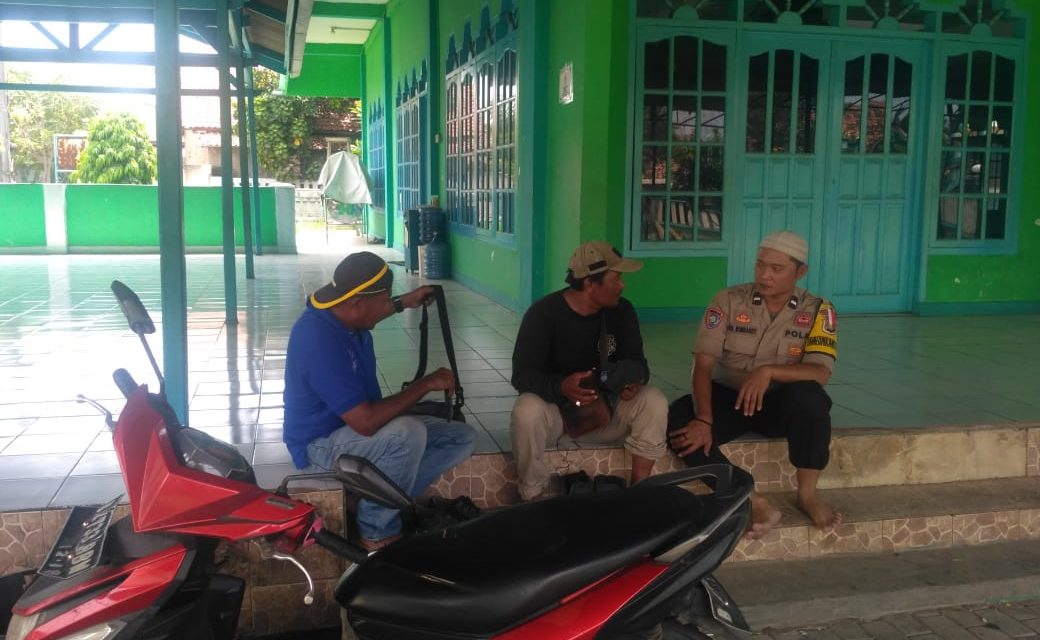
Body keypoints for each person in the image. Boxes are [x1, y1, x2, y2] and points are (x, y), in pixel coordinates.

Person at [282, 251, 476, 551]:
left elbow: (372, 308)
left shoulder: (347, 317)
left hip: (353, 434)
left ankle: (373, 501)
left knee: (460, 438)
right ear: (357, 304)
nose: (389, 305)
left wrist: (403, 302)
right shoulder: (317, 339)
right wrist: (427, 383)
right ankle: (376, 528)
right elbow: (366, 422)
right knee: (408, 434)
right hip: (320, 443)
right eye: (386, 299)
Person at [668, 230, 841, 538]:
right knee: (678, 424)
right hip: (731, 399)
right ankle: (749, 498)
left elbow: (820, 372)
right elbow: (703, 363)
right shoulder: (728, 300)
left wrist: (768, 372)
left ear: (800, 272)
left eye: (776, 269)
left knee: (812, 400)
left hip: (780, 405)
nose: (764, 274)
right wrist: (704, 417)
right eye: (760, 265)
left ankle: (807, 494)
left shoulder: (818, 310)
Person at [510, 241, 668, 501]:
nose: (622, 285)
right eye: (615, 278)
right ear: (589, 284)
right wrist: (560, 386)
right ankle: (532, 495)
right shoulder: (543, 314)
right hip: (557, 415)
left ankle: (639, 493)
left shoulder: (622, 311)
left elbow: (639, 364)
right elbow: (522, 375)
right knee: (526, 411)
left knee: (654, 400)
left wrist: (629, 379)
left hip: (607, 411)